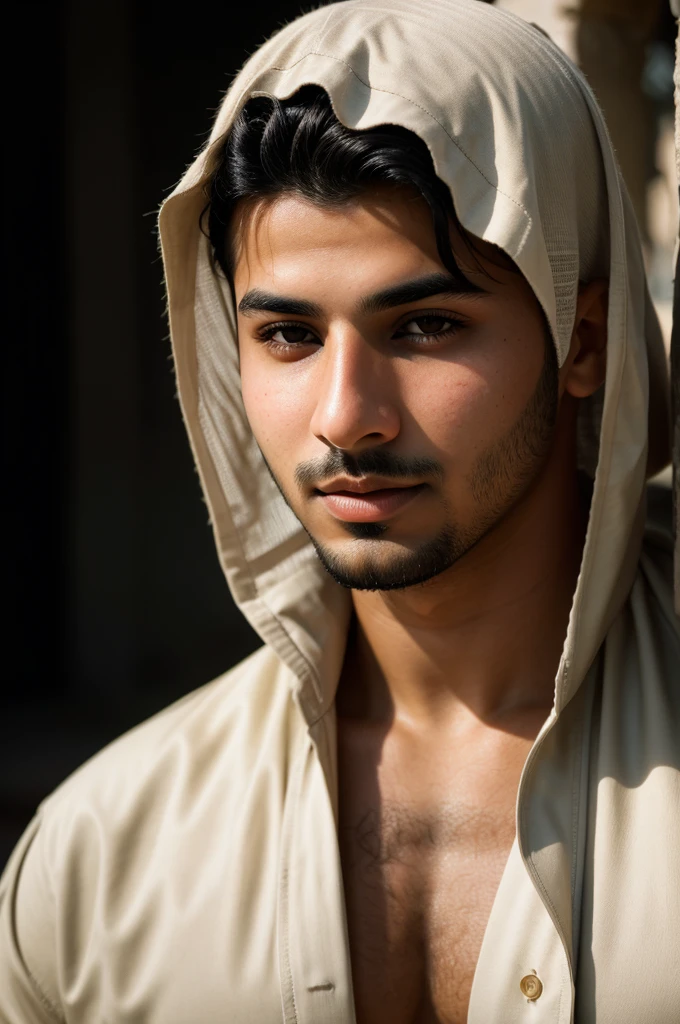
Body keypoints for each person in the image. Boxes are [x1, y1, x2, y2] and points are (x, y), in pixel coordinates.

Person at [1, 1, 678, 1022]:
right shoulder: (99, 864)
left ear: (580, 342)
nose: (343, 417)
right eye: (286, 335)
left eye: (424, 325)